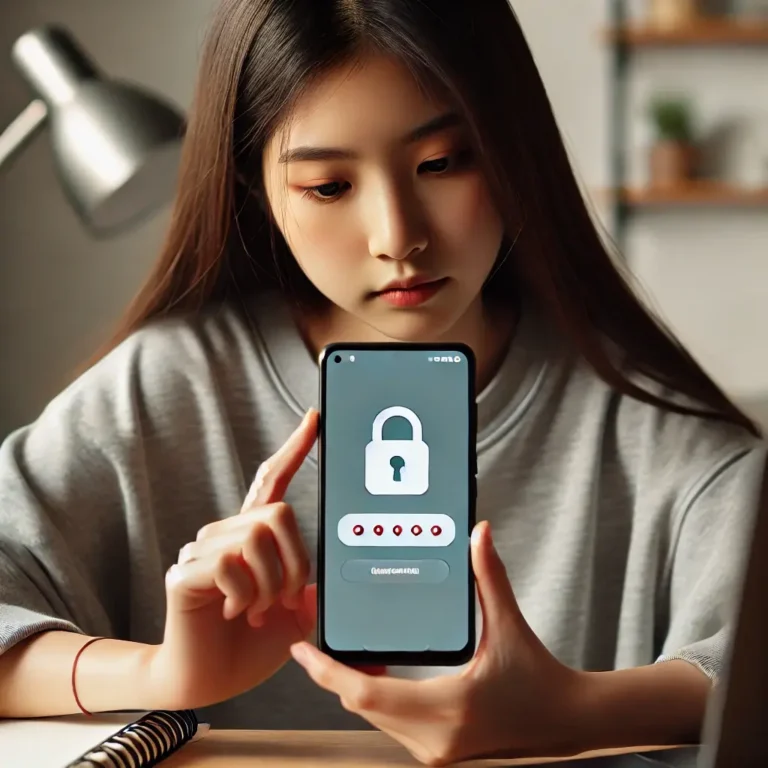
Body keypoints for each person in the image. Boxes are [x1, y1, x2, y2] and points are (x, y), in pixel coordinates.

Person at [0, 0, 764, 764]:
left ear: (510, 151)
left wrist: (579, 710)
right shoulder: (158, 393)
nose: (398, 236)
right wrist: (162, 671)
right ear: (255, 189)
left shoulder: (656, 435)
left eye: (441, 163)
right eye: (329, 186)